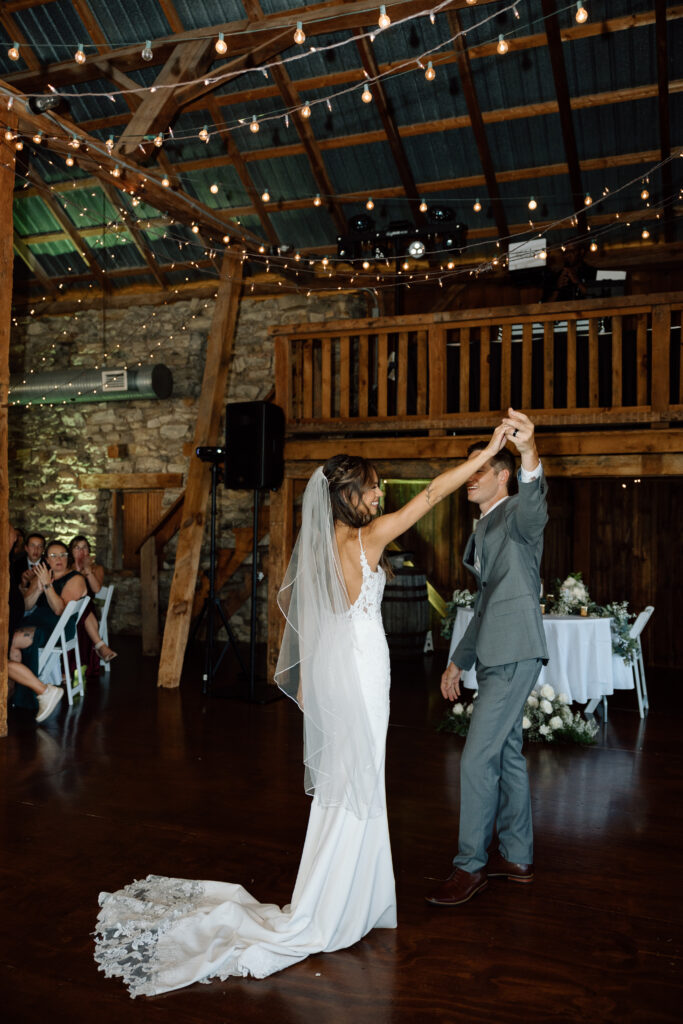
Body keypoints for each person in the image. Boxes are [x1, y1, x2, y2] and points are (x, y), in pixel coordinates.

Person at [93, 424, 508, 998]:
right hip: (363, 674)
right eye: (370, 490)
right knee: (359, 780)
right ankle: (335, 905)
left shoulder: (318, 549)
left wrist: (312, 685)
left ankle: (348, 895)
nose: (378, 496)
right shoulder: (365, 543)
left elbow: (310, 623)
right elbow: (433, 493)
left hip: (340, 676)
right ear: (346, 498)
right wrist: (485, 455)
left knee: (348, 781)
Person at [426, 409, 548, 908]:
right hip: (498, 648)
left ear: (503, 477)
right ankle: (517, 856)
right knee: (507, 754)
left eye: (482, 468)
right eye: (469, 469)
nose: (471, 478)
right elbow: (484, 603)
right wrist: (459, 660)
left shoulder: (517, 514)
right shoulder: (482, 529)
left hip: (515, 649)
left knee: (476, 759)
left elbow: (535, 500)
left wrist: (527, 452)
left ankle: (469, 865)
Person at [7, 525, 63, 723]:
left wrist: (46, 585)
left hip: (53, 628)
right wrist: (35, 587)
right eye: (54, 556)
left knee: (6, 651)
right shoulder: (33, 570)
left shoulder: (72, 577)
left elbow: (59, 610)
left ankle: (43, 690)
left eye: (62, 555)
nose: (58, 559)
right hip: (31, 618)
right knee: (7, 650)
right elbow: (26, 605)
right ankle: (12, 695)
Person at [68, 535, 117, 662]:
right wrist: (78, 570)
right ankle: (100, 646)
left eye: (84, 548)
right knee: (79, 609)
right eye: (77, 548)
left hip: (87, 608)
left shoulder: (97, 568)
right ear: (71, 552)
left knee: (83, 608)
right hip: (68, 608)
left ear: (89, 551)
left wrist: (88, 570)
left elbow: (96, 589)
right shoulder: (67, 568)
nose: (81, 551)